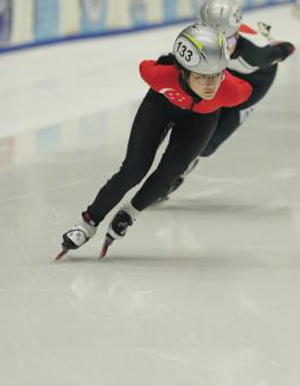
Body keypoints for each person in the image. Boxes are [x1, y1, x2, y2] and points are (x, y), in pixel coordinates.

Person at [55, 23, 252, 259]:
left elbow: (252, 89)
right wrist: (166, 60)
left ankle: (130, 214)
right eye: (201, 76)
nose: (210, 85)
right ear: (183, 71)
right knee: (133, 170)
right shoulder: (159, 76)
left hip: (201, 120)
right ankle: (87, 223)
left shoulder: (231, 91)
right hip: (161, 106)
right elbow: (145, 66)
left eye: (217, 75)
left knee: (169, 175)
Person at [158, 0, 295, 201]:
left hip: (253, 84)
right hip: (224, 74)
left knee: (208, 143)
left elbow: (287, 48)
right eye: (208, 37)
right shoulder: (214, 39)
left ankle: (183, 168)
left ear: (236, 35)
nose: (217, 47)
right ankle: (179, 163)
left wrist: (278, 47)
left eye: (226, 41)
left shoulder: (253, 55)